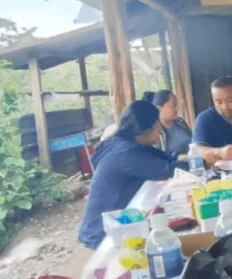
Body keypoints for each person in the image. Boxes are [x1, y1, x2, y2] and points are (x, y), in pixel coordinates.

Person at [78, 101, 188, 249]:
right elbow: (168, 169)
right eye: (157, 124)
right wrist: (202, 161)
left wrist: (191, 157)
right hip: (104, 235)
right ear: (146, 128)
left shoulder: (129, 144)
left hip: (119, 224)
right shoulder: (126, 153)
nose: (160, 129)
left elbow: (166, 157)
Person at [143, 90, 192, 160]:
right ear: (159, 108)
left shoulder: (180, 122)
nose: (177, 109)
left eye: (177, 105)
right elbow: (158, 157)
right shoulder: (153, 131)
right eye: (173, 106)